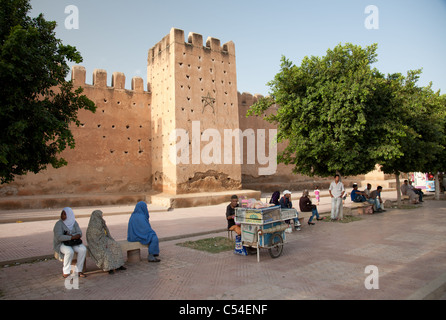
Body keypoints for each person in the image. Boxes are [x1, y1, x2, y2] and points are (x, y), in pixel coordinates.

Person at [86, 210, 126, 274]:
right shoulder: (92, 226)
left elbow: (105, 232)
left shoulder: (102, 222)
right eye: (101, 215)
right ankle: (109, 268)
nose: (102, 216)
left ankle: (119, 265)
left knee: (116, 245)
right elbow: (93, 239)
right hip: (96, 244)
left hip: (104, 239)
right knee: (106, 252)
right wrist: (103, 243)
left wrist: (107, 239)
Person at [53, 207, 87, 278]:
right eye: (62, 214)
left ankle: (79, 270)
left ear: (69, 215)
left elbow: (79, 233)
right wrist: (71, 237)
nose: (62, 215)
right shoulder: (59, 224)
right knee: (69, 251)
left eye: (64, 214)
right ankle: (66, 272)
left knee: (83, 249)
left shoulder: (74, 222)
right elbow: (59, 237)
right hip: (62, 243)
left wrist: (72, 236)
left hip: (73, 242)